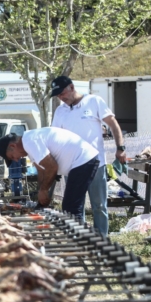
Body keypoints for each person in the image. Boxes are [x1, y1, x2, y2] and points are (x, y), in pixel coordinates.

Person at [50, 76, 126, 238]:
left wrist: (120, 148)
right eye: (57, 95)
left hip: (95, 165)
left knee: (99, 205)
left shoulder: (94, 102)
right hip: (71, 166)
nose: (60, 98)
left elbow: (113, 125)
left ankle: (102, 239)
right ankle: (81, 239)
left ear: (71, 87)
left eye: (62, 93)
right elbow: (54, 137)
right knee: (76, 206)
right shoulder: (60, 111)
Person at [0, 127, 99, 221]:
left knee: (71, 207)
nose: (16, 160)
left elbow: (52, 167)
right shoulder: (28, 145)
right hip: (81, 162)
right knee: (70, 206)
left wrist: (44, 190)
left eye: (12, 157)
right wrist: (41, 194)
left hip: (83, 159)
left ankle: (79, 239)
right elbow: (41, 170)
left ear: (12, 146)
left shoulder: (30, 142)